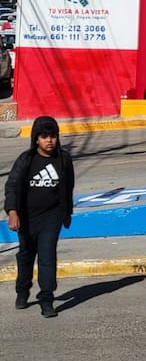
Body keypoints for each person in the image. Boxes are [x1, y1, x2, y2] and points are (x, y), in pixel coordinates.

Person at [5, 115, 75, 318]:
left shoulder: (63, 160)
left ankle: (46, 298)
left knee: (47, 256)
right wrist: (12, 211)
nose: (49, 140)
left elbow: (68, 187)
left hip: (51, 217)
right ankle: (22, 291)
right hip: (26, 217)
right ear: (36, 139)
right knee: (26, 256)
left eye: (52, 136)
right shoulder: (26, 160)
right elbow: (11, 187)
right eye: (44, 136)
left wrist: (66, 213)